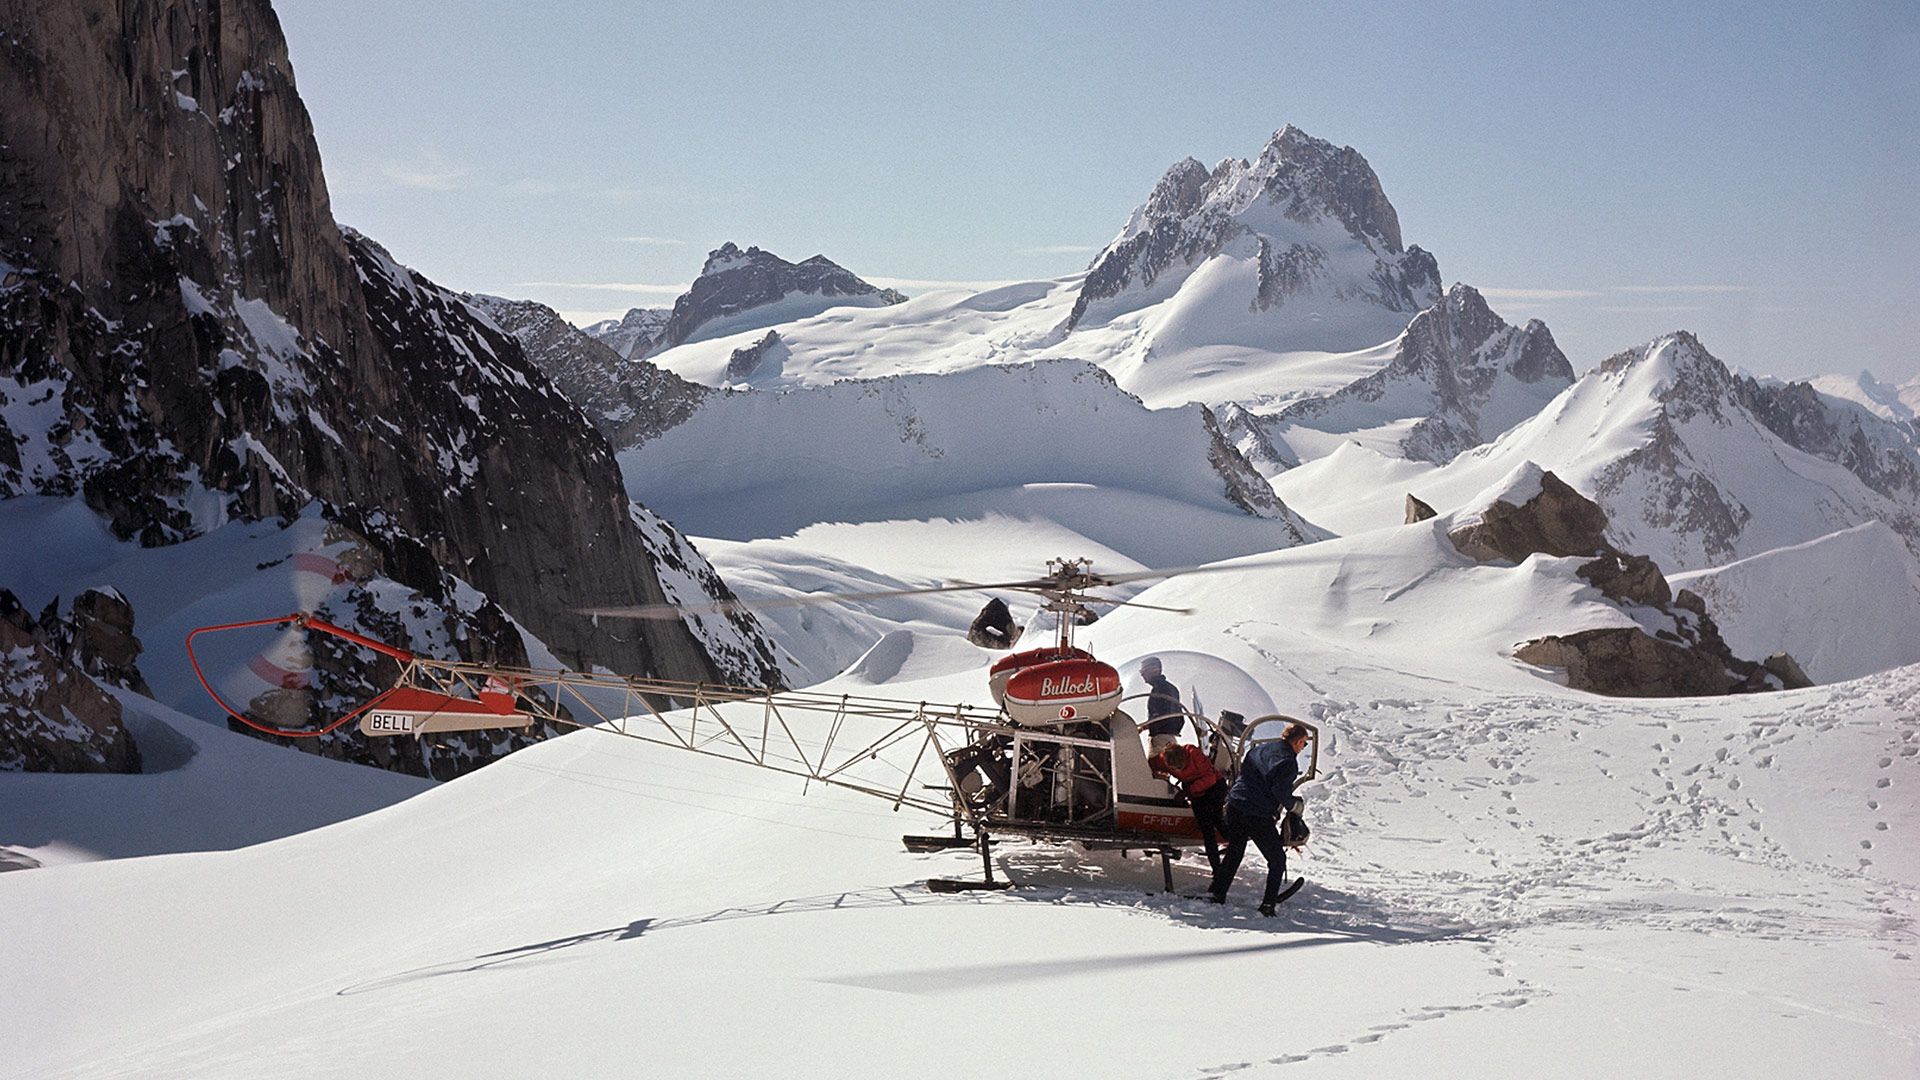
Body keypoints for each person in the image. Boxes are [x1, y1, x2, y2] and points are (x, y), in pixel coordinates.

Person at [1208, 721, 1310, 915]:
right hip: (1256, 813)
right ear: (1297, 742)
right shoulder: (1288, 761)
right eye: (1304, 744)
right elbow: (1280, 790)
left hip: (1235, 805)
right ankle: (1268, 905)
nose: (1303, 748)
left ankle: (1218, 893)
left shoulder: (1260, 749)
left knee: (1235, 852)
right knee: (1277, 859)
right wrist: (1294, 805)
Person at [1151, 742, 1227, 871]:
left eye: (1182, 766)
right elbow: (1147, 764)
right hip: (1194, 791)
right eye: (1175, 769)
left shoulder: (1193, 752)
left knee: (1217, 821)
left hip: (1214, 787)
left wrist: (1187, 792)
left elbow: (1210, 778)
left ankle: (1232, 843)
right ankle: (1217, 868)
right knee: (1206, 828)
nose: (1180, 770)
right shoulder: (1163, 759)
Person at [1139, 656, 1184, 754]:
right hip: (1166, 737)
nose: (1142, 674)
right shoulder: (1168, 688)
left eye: (1144, 670)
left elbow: (1162, 717)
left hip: (1161, 739)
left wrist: (1145, 726)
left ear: (1155, 669)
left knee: (1155, 767)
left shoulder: (1161, 689)